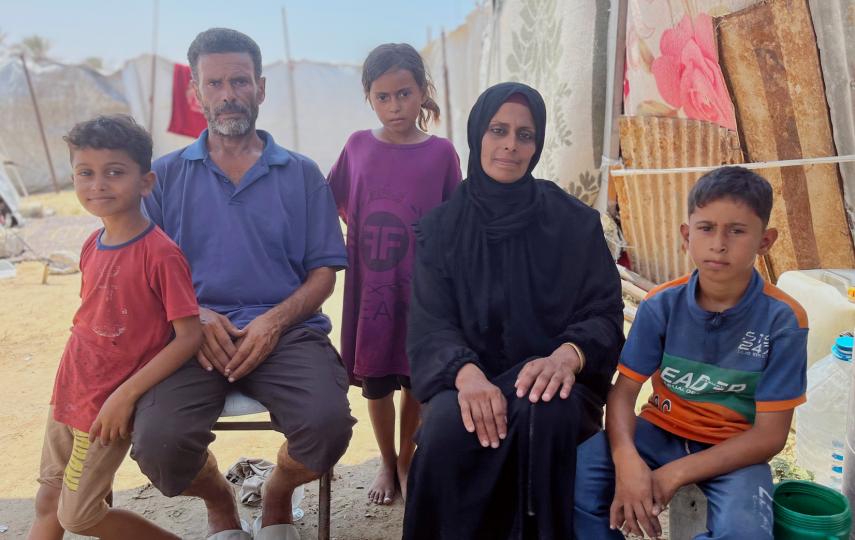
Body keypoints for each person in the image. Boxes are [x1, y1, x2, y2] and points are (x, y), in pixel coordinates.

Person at [131, 28, 355, 540]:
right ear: (196, 92)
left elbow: (324, 272)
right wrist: (197, 315)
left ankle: (277, 492)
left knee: (327, 429)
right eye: (215, 83)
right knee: (158, 445)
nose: (229, 93)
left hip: (287, 333)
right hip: (191, 336)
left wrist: (274, 321)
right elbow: (142, 273)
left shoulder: (301, 174)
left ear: (261, 87)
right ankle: (220, 501)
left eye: (240, 80)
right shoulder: (161, 178)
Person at [403, 82, 625, 539]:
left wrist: (567, 356)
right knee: (446, 428)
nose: (510, 145)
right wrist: (466, 375)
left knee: (548, 413)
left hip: (553, 377)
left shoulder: (574, 225)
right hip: (468, 378)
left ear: (538, 143)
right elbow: (430, 325)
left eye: (525, 135)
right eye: (498, 130)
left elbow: (604, 312)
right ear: (476, 136)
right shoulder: (441, 231)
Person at [574, 166, 807, 540]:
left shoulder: (783, 321)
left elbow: (770, 436)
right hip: (659, 431)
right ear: (687, 236)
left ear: (765, 242)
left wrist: (676, 473)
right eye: (706, 228)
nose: (719, 243)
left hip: (734, 448)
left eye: (737, 230)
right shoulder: (659, 306)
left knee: (745, 532)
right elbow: (623, 393)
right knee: (580, 477)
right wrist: (627, 460)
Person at [27, 115, 202, 540]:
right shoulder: (92, 243)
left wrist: (125, 396)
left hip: (105, 408)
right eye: (85, 173)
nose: (98, 184)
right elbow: (92, 322)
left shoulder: (160, 254)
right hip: (69, 390)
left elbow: (189, 336)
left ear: (145, 182)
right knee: (48, 499)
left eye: (114, 172)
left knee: (80, 516)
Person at [328, 42, 461, 505]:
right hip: (372, 285)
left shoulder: (442, 153)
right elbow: (340, 201)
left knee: (415, 379)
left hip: (423, 288)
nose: (394, 106)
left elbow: (453, 218)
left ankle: (407, 459)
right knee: (377, 379)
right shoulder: (357, 146)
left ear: (423, 92)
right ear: (369, 98)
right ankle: (386, 460)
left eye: (403, 94)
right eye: (382, 97)